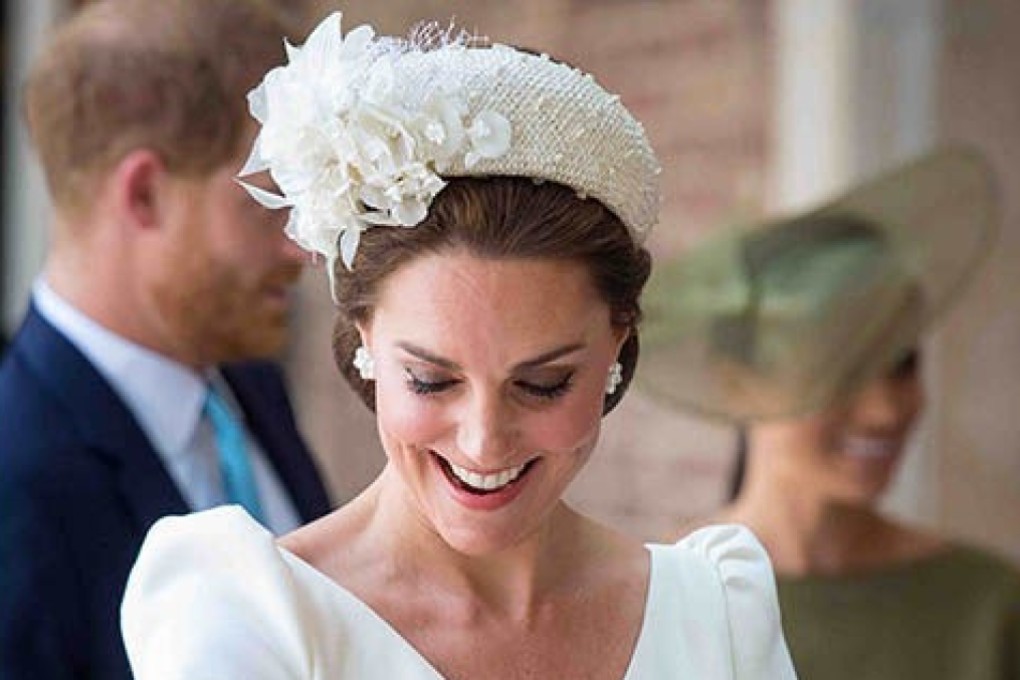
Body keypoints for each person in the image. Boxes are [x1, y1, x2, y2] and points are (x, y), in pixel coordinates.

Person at [120, 12, 797, 679]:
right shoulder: (249, 615)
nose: (483, 443)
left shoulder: (716, 617)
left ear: (618, 344)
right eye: (431, 380)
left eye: (542, 384)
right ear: (367, 341)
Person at [0, 2, 334, 679]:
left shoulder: (254, 391)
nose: (302, 248)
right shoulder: (16, 480)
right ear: (145, 193)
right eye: (266, 198)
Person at [639, 150, 1020, 679]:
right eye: (844, 370)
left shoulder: (989, 610)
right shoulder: (653, 599)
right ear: (736, 380)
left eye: (902, 362)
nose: (886, 410)